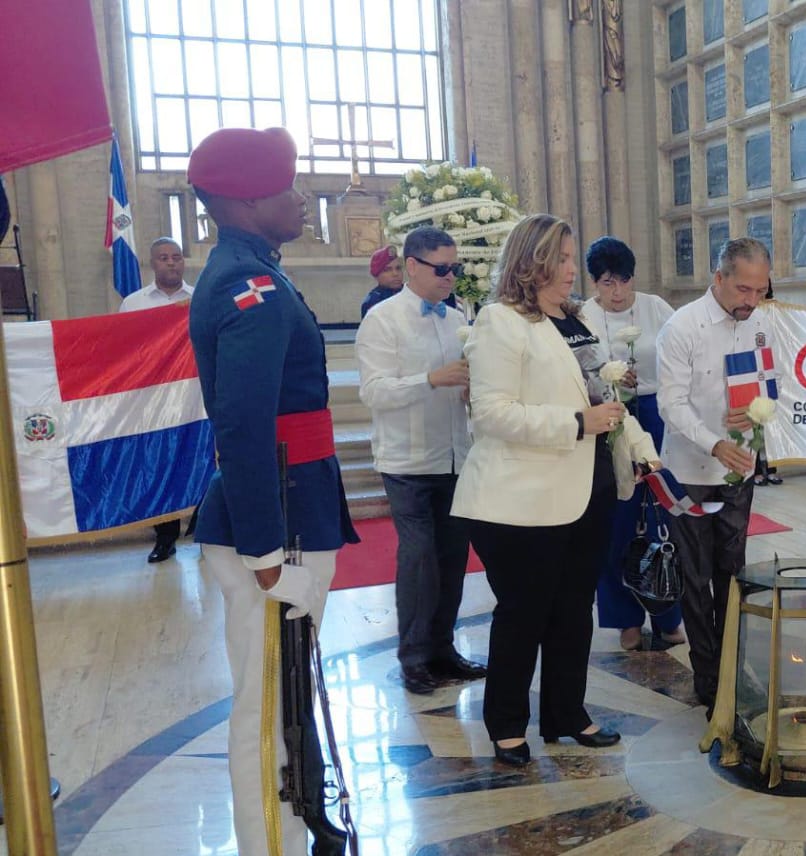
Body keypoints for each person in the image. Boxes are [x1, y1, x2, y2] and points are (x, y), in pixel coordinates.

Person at [186, 126, 359, 856]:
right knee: (264, 706)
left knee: (288, 689)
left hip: (295, 503)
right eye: (289, 186)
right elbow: (244, 425)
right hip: (273, 520)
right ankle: (270, 845)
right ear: (248, 198)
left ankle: (304, 822)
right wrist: (261, 547)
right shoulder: (245, 284)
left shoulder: (259, 271)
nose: (300, 197)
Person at [453, 213, 652, 767]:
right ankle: (507, 726)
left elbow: (603, 395)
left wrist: (635, 443)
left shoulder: (576, 320)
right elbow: (491, 414)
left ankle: (567, 713)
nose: (572, 270)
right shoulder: (500, 321)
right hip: (518, 499)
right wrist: (575, 423)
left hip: (586, 488)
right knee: (524, 612)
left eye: (572, 259)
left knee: (572, 609)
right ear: (532, 261)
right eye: (563, 259)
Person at [356, 225, 486, 695]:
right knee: (420, 557)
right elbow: (373, 392)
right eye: (441, 268)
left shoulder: (456, 320)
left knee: (453, 559)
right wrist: (431, 379)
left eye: (455, 267)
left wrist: (474, 390)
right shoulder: (383, 320)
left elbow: (464, 384)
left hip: (455, 456)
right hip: (407, 460)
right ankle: (413, 656)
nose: (451, 276)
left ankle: (444, 650)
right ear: (412, 266)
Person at [656, 237, 774, 711]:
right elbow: (671, 404)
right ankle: (707, 674)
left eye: (760, 290)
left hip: (737, 471)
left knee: (732, 571)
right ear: (718, 278)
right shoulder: (681, 327)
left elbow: (771, 383)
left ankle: (732, 664)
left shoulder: (760, 323)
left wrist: (761, 414)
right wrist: (714, 443)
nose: (752, 300)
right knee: (694, 576)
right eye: (743, 289)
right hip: (689, 471)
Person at [580, 235, 685, 651]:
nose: (617, 291)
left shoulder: (656, 307)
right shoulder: (582, 316)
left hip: (657, 415)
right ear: (594, 283)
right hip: (608, 421)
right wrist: (607, 377)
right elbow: (577, 371)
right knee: (617, 520)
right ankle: (625, 617)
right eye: (607, 283)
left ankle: (667, 614)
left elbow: (681, 353)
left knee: (665, 516)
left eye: (623, 281)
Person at [119, 236, 196, 562]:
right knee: (161, 465)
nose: (171, 262)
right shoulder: (133, 304)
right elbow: (122, 350)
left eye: (176, 257)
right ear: (152, 263)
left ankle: (207, 532)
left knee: (200, 460)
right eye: (164, 257)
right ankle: (165, 537)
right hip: (154, 399)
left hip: (195, 394)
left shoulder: (200, 298)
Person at [751, 279, 783, 488]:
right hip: (750, 371)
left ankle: (771, 468)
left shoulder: (774, 310)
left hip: (770, 369)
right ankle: (754, 470)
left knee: (769, 426)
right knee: (753, 426)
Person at [360, 245, 403, 318]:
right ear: (377, 275)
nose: (395, 274)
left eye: (398, 268)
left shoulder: (410, 293)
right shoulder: (373, 302)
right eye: (387, 270)